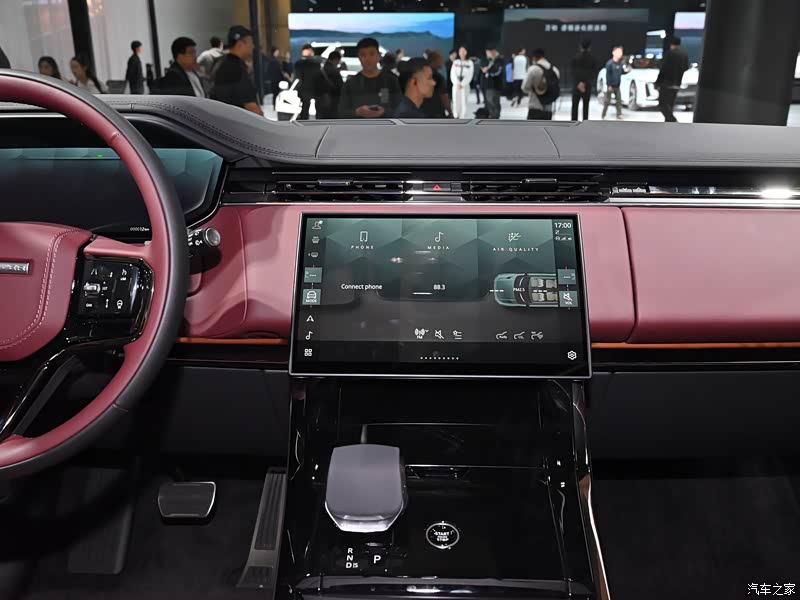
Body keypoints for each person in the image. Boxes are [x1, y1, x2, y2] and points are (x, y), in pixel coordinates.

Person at [338, 37, 401, 118]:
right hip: (359, 125)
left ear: (378, 56)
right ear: (359, 57)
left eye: (371, 54)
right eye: (363, 55)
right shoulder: (350, 83)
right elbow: (341, 112)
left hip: (385, 125)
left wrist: (384, 111)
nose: (368, 59)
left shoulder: (391, 81)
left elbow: (400, 109)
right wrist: (357, 112)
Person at [210, 25, 263, 116]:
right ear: (240, 44)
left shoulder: (221, 63)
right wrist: (262, 120)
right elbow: (250, 106)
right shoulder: (236, 68)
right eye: (251, 42)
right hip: (238, 121)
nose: (253, 46)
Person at [655, 35, 689, 123]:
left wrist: (658, 82)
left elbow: (663, 69)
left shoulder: (669, 54)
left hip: (667, 83)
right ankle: (668, 122)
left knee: (662, 104)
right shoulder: (684, 55)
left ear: (671, 44)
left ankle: (672, 120)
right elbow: (686, 68)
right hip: (677, 83)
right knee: (670, 104)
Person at [521, 48, 560, 120]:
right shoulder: (555, 70)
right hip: (548, 108)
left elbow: (524, 87)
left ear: (534, 58)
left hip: (534, 107)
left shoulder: (533, 69)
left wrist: (535, 89)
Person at [294, 43, 324, 120]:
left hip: (306, 90)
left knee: (305, 110)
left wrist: (298, 89)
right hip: (316, 89)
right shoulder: (317, 62)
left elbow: (298, 78)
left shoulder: (299, 63)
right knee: (318, 111)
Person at [570, 39, 596, 121]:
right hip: (586, 86)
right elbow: (593, 73)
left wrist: (579, 83)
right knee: (586, 106)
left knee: (575, 107)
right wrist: (584, 83)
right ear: (589, 47)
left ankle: (574, 124)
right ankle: (585, 123)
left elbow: (573, 72)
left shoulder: (575, 58)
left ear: (580, 47)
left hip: (576, 86)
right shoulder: (592, 59)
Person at [421, 49, 452, 118]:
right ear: (434, 61)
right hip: (436, 113)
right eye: (440, 59)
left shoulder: (420, 74)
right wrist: (450, 113)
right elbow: (444, 97)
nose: (442, 62)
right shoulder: (438, 77)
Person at [316, 50, 344, 119]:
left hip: (320, 100)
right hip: (332, 101)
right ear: (336, 59)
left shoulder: (321, 69)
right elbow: (340, 86)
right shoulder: (334, 70)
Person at [602, 45, 626, 120]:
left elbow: (621, 72)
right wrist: (609, 85)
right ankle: (603, 114)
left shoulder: (620, 63)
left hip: (617, 85)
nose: (620, 54)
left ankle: (619, 114)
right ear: (613, 53)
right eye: (618, 52)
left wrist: (627, 71)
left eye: (621, 52)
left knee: (619, 101)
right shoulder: (610, 63)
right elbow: (608, 75)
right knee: (607, 101)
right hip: (611, 86)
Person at [450, 46, 474, 119]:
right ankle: (456, 116)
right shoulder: (455, 62)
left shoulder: (470, 63)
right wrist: (457, 83)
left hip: (465, 85)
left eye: (464, 51)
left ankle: (462, 117)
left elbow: (470, 74)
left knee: (464, 101)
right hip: (456, 85)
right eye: (460, 51)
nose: (462, 53)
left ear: (466, 52)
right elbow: (452, 74)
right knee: (455, 101)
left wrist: (462, 84)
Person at [481, 46, 505, 119]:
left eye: (490, 52)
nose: (489, 54)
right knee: (488, 102)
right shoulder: (485, 60)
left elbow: (497, 71)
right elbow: (483, 69)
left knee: (494, 102)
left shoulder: (499, 60)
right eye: (487, 52)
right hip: (486, 85)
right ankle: (491, 116)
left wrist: (488, 70)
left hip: (496, 85)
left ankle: (495, 117)